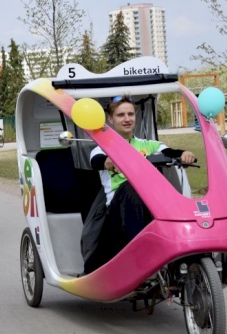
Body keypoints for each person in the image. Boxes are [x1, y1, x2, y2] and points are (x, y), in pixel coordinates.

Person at [83, 95, 195, 274]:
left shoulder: (148, 145)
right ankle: (141, 252)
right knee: (132, 186)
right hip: (117, 213)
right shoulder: (102, 148)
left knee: (166, 193)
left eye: (130, 114)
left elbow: (169, 152)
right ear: (110, 120)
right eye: (120, 115)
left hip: (151, 206)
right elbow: (96, 160)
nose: (127, 119)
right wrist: (108, 161)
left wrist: (185, 154)